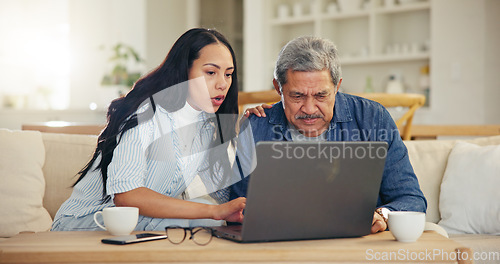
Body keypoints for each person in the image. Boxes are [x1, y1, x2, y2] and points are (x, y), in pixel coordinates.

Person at [52, 28, 250, 232]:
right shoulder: (145, 114)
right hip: (88, 222)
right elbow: (127, 196)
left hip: (143, 224)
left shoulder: (206, 127)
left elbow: (229, 195)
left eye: (228, 74)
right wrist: (214, 212)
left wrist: (259, 126)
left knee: (207, 219)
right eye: (210, 72)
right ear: (184, 71)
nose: (223, 84)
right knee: (204, 216)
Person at [232, 36, 427, 233]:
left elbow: (411, 199)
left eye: (321, 95)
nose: (309, 109)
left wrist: (382, 215)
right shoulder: (256, 127)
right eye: (297, 96)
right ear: (278, 88)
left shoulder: (373, 118)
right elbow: (235, 210)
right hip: (281, 244)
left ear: (337, 86)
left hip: (357, 245)